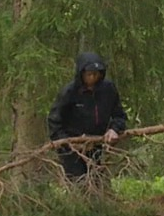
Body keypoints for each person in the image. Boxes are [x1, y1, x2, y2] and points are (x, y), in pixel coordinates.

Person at [46, 52, 129, 182]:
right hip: (71, 148)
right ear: (81, 74)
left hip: (95, 144)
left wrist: (114, 129)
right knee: (78, 182)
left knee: (96, 181)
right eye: (89, 74)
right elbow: (54, 121)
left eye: (96, 74)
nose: (93, 77)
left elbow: (120, 115)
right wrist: (67, 143)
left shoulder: (108, 89)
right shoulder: (69, 92)